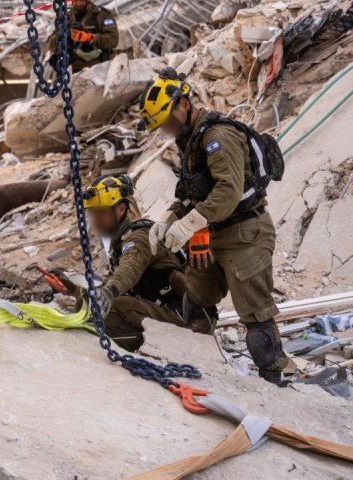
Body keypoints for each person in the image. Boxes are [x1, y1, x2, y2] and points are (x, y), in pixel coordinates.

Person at [137, 68, 289, 385]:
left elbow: (227, 192)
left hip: (245, 234)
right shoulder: (190, 140)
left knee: (255, 315)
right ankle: (200, 367)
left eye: (167, 121)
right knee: (196, 299)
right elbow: (192, 192)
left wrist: (188, 225)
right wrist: (169, 218)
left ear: (182, 104)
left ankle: (272, 378)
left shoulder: (218, 136)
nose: (166, 129)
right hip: (211, 234)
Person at [76, 174, 208, 351]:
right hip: (168, 312)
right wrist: (73, 291)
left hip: (190, 318)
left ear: (121, 209)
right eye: (93, 213)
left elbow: (130, 267)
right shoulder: (120, 241)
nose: (95, 219)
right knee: (85, 303)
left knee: (115, 306)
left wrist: (110, 291)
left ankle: (151, 349)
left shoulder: (138, 238)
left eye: (101, 212)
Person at [46, 0, 119, 73]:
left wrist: (90, 37)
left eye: (81, 0)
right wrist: (63, 37)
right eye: (75, 1)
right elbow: (50, 44)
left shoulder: (102, 15)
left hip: (99, 67)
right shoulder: (67, 17)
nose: (78, 4)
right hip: (75, 69)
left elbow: (114, 39)